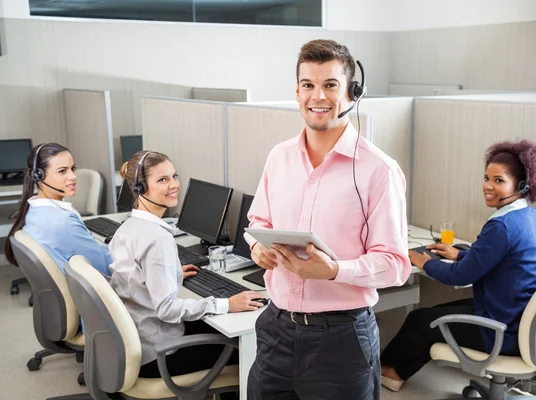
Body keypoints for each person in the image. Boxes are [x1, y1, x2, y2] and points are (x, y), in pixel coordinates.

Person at [245, 39, 411, 400]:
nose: (317, 96)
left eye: (330, 85)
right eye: (308, 85)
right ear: (297, 91)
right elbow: (258, 217)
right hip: (276, 329)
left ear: (352, 92)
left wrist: (335, 271)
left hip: (340, 338)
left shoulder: (378, 170)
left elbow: (396, 265)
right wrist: (259, 246)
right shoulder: (279, 157)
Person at [380, 139, 536, 392]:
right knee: (434, 315)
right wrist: (460, 254)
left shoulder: (501, 226)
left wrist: (424, 262)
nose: (488, 186)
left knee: (422, 320)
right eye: (487, 177)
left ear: (523, 185)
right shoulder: (530, 218)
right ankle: (396, 374)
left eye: (499, 180)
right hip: (519, 316)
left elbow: (461, 277)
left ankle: (385, 369)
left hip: (505, 329)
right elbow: (499, 260)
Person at [109, 151, 265, 389]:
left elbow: (133, 279)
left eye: (174, 176)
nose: (173, 185)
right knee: (251, 349)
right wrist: (226, 304)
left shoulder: (127, 228)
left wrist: (171, 272)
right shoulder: (157, 238)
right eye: (162, 180)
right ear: (140, 188)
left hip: (138, 342)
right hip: (159, 355)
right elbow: (167, 310)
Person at [4, 143, 112, 276]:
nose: (73, 176)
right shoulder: (65, 222)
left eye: (73, 169)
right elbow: (106, 266)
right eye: (62, 171)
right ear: (38, 175)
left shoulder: (32, 211)